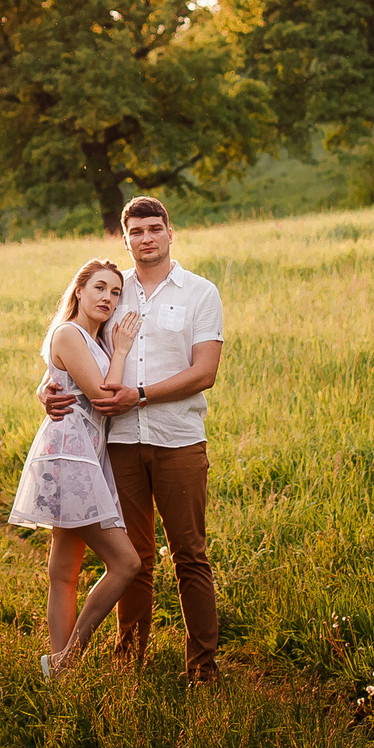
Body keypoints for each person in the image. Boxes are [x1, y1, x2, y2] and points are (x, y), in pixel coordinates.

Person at [41, 195, 224, 681]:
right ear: (125, 239)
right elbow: (72, 349)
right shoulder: (112, 291)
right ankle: (129, 665)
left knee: (190, 556)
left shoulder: (200, 293)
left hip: (178, 438)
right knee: (136, 559)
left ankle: (202, 669)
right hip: (116, 446)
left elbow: (204, 373)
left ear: (169, 232)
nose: (146, 239)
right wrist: (46, 388)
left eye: (154, 229)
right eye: (136, 232)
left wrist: (139, 395)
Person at [7, 257, 143, 676]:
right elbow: (104, 397)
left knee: (63, 572)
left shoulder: (92, 340)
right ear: (79, 291)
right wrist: (121, 349)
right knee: (127, 563)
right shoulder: (69, 333)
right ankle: (67, 661)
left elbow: (65, 381)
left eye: (116, 292)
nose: (108, 297)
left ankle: (58, 676)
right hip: (70, 455)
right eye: (99, 287)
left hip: (85, 453)